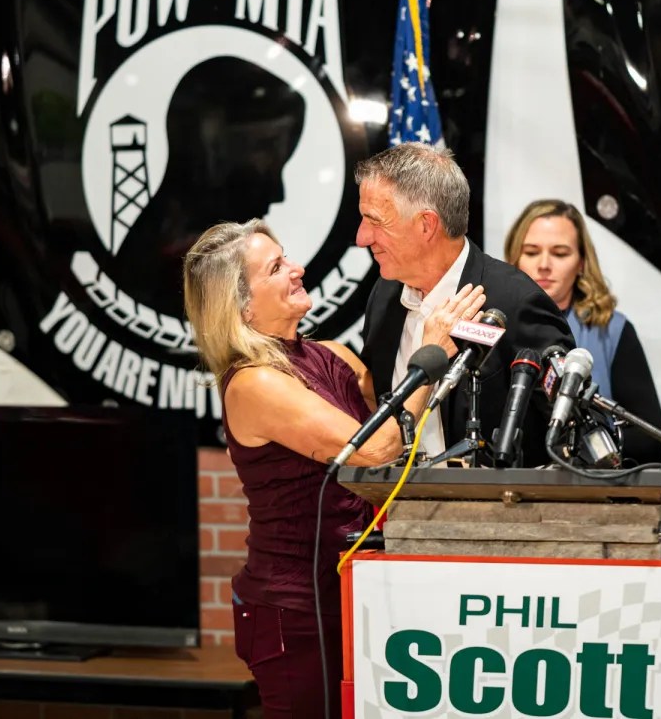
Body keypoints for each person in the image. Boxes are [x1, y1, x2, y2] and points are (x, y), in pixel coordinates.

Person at [182, 219, 484, 719]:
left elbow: (401, 411)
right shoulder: (253, 383)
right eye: (277, 268)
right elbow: (374, 451)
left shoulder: (330, 355)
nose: (298, 269)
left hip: (355, 590)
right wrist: (431, 352)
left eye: (288, 256)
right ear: (243, 307)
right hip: (297, 609)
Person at [356, 143, 574, 467]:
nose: (362, 237)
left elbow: (566, 436)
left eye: (374, 221)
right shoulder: (384, 296)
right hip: (406, 509)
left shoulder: (515, 302)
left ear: (426, 225)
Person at [503, 199, 661, 464]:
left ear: (581, 263)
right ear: (514, 259)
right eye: (531, 252)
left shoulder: (611, 330)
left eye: (559, 253)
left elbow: (651, 441)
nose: (544, 264)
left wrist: (589, 447)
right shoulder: (492, 324)